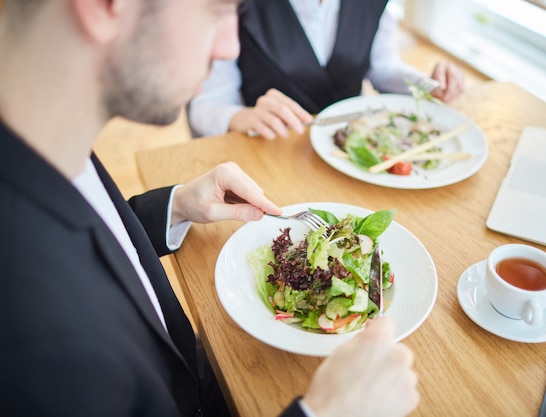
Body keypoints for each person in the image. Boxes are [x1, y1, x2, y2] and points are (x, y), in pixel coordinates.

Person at [0, 1, 419, 417]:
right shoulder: (36, 342)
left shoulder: (51, 149)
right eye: (217, 11)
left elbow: (94, 240)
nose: (231, 47)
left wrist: (174, 206)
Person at [188, 0, 465, 140]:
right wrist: (242, 117)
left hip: (352, 149)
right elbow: (206, 105)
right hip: (271, 151)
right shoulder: (235, 6)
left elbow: (381, 66)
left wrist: (426, 84)